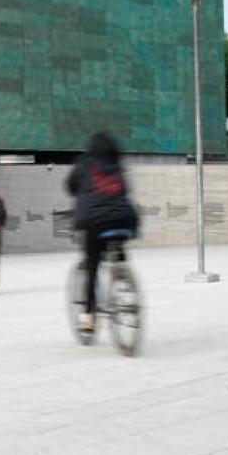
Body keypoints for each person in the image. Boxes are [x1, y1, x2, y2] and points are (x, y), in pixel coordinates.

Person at [65, 130, 140, 334]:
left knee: (92, 266)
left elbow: (70, 187)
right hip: (125, 219)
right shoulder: (117, 165)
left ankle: (88, 316)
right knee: (116, 242)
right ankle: (121, 276)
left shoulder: (84, 163)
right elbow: (124, 191)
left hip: (94, 221)